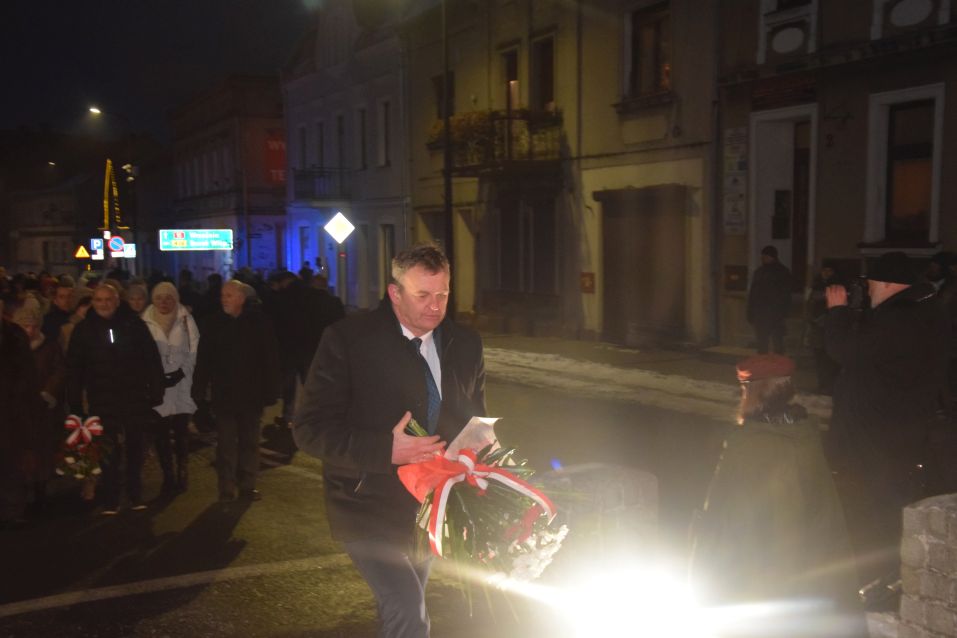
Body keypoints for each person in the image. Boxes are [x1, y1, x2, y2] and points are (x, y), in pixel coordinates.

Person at [294, 244, 486, 638]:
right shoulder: (349, 340)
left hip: (429, 507)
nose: (435, 306)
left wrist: (479, 462)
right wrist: (386, 449)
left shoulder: (465, 344)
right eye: (423, 295)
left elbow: (475, 420)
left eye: (443, 294)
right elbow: (309, 428)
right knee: (409, 613)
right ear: (395, 293)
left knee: (403, 611)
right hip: (366, 504)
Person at [824, 251, 950, 606]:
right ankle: (886, 579)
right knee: (885, 507)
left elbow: (846, 351)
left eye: (871, 284)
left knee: (878, 512)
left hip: (879, 437)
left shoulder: (900, 319)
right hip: (896, 432)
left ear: (889, 284)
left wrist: (837, 313)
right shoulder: (920, 312)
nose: (867, 291)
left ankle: (883, 586)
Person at [691, 354, 858, 614]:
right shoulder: (806, 436)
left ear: (752, 392)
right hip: (810, 577)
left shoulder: (747, 444)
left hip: (761, 579)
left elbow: (725, 518)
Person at [66, 284, 166, 514]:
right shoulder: (84, 330)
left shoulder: (133, 325)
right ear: (93, 302)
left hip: (133, 395)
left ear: (117, 301)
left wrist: (156, 389)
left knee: (135, 446)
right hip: (101, 397)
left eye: (108, 299)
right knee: (108, 448)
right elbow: (74, 368)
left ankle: (134, 493)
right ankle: (111, 497)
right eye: (99, 300)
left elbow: (150, 358)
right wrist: (74, 400)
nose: (104, 304)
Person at [191, 280, 280, 502]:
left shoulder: (258, 323)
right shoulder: (214, 323)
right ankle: (227, 486)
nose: (224, 299)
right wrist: (199, 387)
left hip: (251, 394)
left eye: (229, 295)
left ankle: (247, 484)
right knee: (226, 443)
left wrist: (271, 389)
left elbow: (269, 358)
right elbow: (205, 358)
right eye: (223, 295)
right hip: (225, 394)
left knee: (250, 441)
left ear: (241, 298)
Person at [141, 282, 200, 494]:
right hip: (157, 386)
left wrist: (182, 372)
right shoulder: (145, 322)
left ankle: (182, 470)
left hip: (182, 385)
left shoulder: (186, 320)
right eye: (159, 297)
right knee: (161, 433)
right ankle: (168, 475)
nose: (164, 302)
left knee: (181, 431)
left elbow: (194, 349)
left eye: (168, 297)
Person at [12, 305, 66, 513]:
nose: (30, 330)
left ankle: (41, 492)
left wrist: (47, 393)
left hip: (42, 408)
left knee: (42, 450)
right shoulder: (11, 348)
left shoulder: (49, 346)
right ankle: (22, 494)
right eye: (25, 326)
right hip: (18, 409)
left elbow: (58, 370)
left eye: (34, 326)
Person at [0, 299, 45, 528]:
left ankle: (13, 510)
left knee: (12, 459)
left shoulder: (14, 336)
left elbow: (27, 373)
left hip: (12, 408)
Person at [804, 261, 842, 394]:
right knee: (819, 358)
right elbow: (810, 302)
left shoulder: (837, 286)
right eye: (824, 270)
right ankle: (822, 385)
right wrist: (811, 318)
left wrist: (824, 318)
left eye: (829, 270)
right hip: (817, 328)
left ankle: (830, 386)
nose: (826, 273)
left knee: (829, 360)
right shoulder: (817, 285)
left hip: (829, 328)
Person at [746, 245, 792, 354]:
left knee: (778, 343)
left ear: (773, 257)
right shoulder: (759, 272)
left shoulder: (782, 272)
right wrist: (750, 311)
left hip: (775, 313)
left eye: (766, 256)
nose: (763, 258)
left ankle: (778, 362)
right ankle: (763, 361)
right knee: (762, 343)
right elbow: (753, 293)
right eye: (762, 256)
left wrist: (784, 312)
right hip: (760, 313)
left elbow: (786, 294)